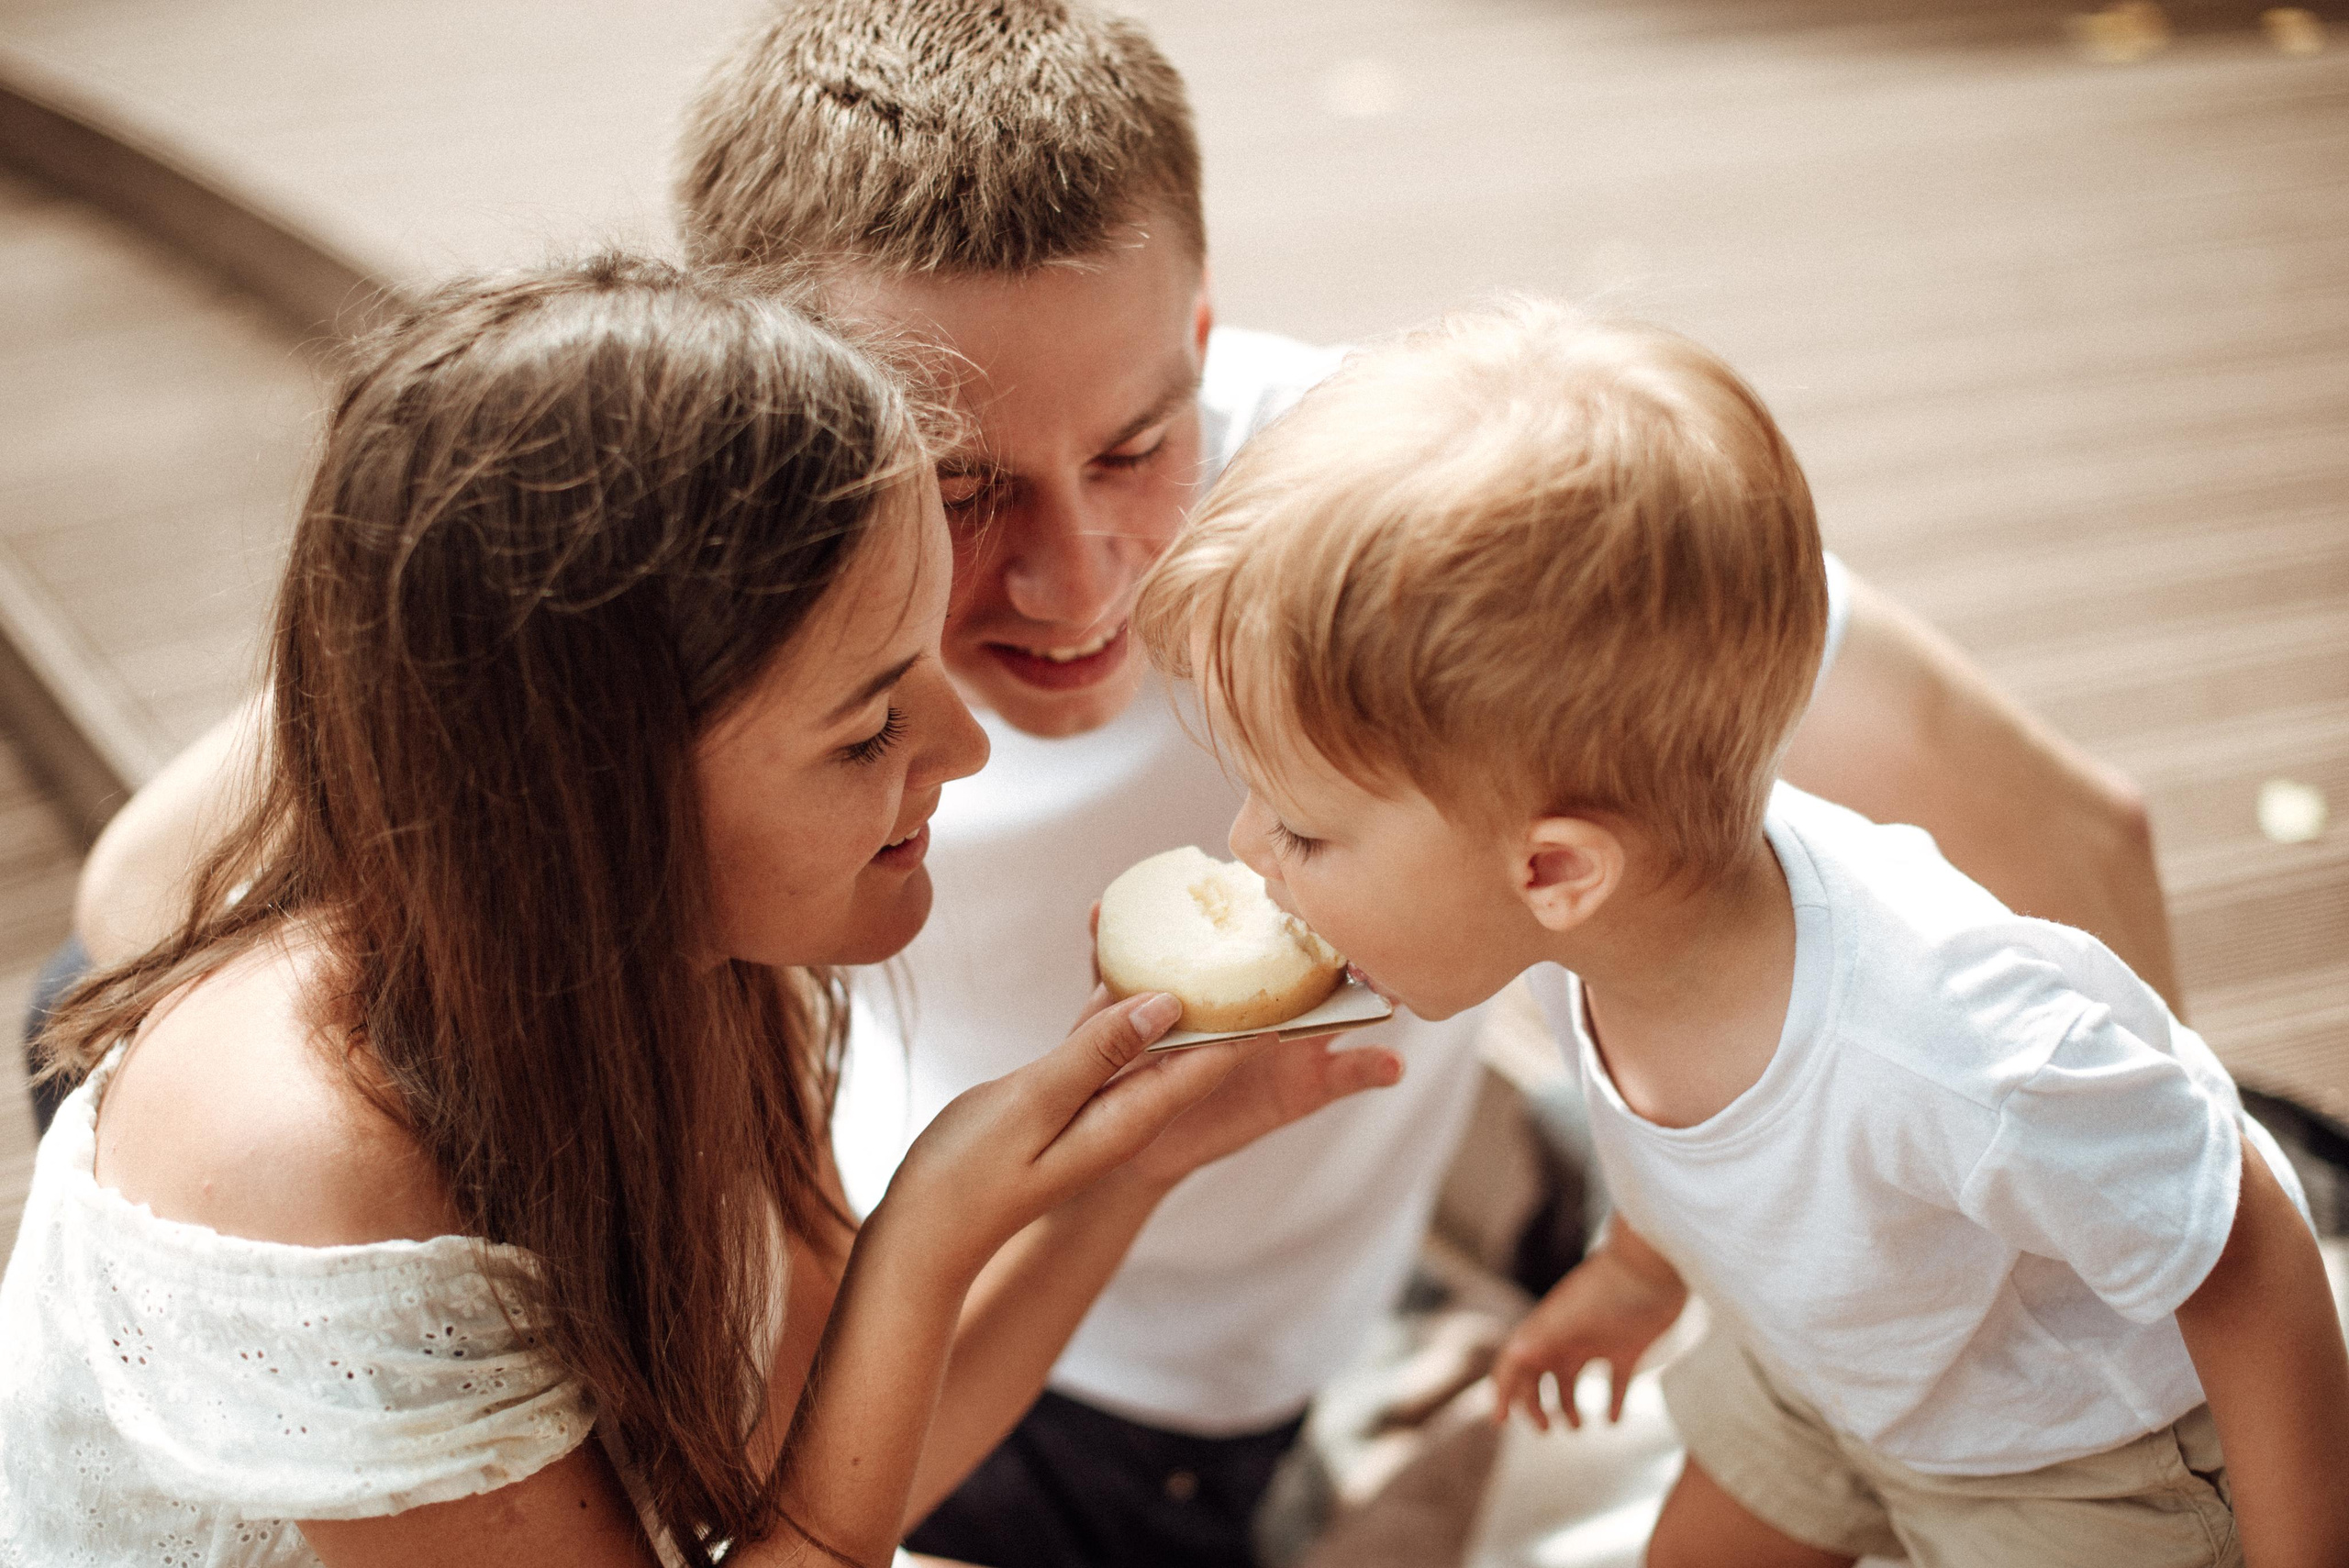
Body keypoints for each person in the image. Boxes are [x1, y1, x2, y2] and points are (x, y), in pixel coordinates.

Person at [53, 3, 2182, 1562]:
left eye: (1143, 443)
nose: (1079, 599)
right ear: (751, 429)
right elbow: (147, 923)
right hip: (972, 1360)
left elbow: (2073, 833)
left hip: (1023, 1252)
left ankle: (1505, 1209)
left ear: (1207, 339)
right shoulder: (608, 671)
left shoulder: (1397, 517)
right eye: (957, 488)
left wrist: (2092, 1361)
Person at [0, 257, 1397, 1568]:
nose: (964, 749)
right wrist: (923, 1232)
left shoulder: (693, 967)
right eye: (866, 731)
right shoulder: (311, 1169)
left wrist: (1127, 1170)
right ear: (592, 799)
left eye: (924, 661)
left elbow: (840, 1461)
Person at [1132, 299, 2349, 1567]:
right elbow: (1713, 1145)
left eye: (1303, 828)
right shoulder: (1588, 933)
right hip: (1830, 1374)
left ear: (1554, 864)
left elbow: (2245, 1246)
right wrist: (1639, 1273)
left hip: (2076, 1453)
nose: (1244, 850)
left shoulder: (1961, 1045)